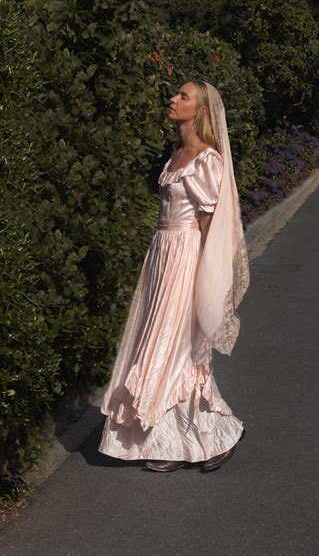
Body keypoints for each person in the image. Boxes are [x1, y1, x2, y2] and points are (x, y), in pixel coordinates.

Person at [99, 80, 250, 473]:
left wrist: (208, 277)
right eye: (177, 94)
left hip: (186, 258)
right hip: (161, 255)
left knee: (178, 346)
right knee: (157, 343)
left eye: (184, 97)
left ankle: (212, 434)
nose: (173, 99)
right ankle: (169, 437)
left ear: (200, 111)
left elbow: (211, 224)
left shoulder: (206, 160)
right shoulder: (176, 156)